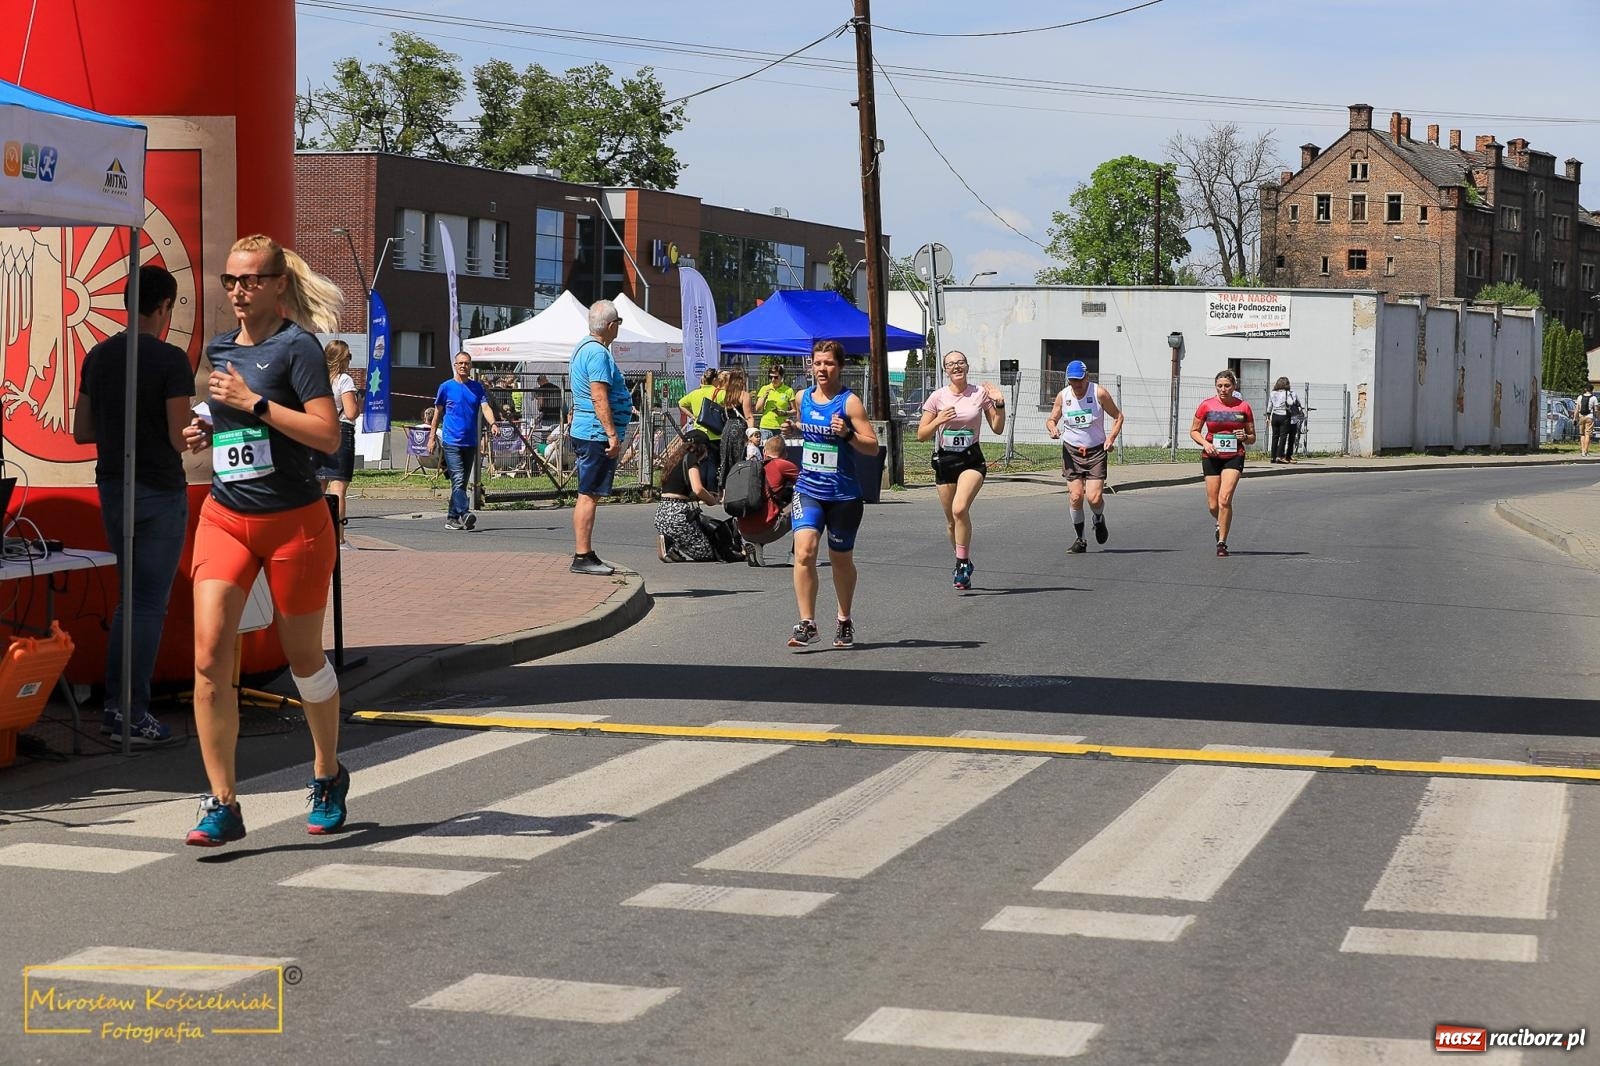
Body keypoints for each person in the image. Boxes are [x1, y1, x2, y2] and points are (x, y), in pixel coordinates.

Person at [178, 234, 347, 846]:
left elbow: (327, 435)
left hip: (293, 523)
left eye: (251, 280)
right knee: (206, 657)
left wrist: (253, 405)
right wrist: (205, 430)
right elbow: (221, 418)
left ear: (278, 285)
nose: (238, 291)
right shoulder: (222, 347)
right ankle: (221, 801)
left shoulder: (297, 347)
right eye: (230, 280)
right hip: (225, 517)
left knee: (302, 655)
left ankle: (328, 772)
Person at [71, 264, 193, 746]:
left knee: (129, 603)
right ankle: (130, 711)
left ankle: (116, 708)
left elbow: (82, 431)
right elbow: (178, 437)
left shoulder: (98, 356)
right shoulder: (170, 360)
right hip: (159, 489)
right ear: (164, 307)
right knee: (146, 606)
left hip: (113, 485)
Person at [784, 339, 878, 648]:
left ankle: (844, 618)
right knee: (805, 550)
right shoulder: (802, 397)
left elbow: (872, 446)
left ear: (840, 366)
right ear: (810, 365)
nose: (822, 369)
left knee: (840, 560)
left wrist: (848, 434)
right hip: (809, 488)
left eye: (829, 363)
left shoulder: (849, 403)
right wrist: (794, 430)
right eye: (818, 363)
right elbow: (808, 429)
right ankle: (807, 623)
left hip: (844, 495)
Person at [916, 349, 1005, 589]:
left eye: (961, 362)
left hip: (971, 460)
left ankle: (962, 563)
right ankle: (962, 560)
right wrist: (938, 420)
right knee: (951, 522)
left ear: (967, 366)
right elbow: (921, 434)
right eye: (951, 364)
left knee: (959, 508)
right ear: (945, 370)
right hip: (946, 461)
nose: (956, 367)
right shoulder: (937, 397)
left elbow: (997, 428)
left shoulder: (979, 394)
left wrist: (999, 402)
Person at [569, 299, 631, 575]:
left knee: (588, 493)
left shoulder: (583, 348)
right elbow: (598, 395)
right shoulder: (598, 354)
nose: (618, 328)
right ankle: (582, 556)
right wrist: (611, 434)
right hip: (595, 432)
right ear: (610, 325)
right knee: (589, 494)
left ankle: (586, 553)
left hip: (587, 429)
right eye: (618, 323)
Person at [1044, 359, 1123, 555]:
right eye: (1073, 381)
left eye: (1080, 380)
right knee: (1076, 496)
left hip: (1096, 451)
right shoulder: (1064, 396)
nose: (1077, 385)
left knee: (1094, 498)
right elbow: (1052, 418)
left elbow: (1118, 416)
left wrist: (1111, 439)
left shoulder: (1099, 393)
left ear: (1087, 377)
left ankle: (1098, 518)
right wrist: (1053, 428)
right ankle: (1080, 539)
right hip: (1072, 452)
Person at [426, 351, 498, 531]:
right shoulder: (446, 387)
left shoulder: (477, 388)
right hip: (452, 441)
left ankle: (451, 518)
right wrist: (432, 437)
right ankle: (465, 514)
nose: (464, 366)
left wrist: (493, 423)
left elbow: (485, 407)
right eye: (460, 363)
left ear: (470, 366)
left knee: (462, 482)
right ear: (455, 365)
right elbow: (437, 414)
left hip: (470, 442)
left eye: (467, 363)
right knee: (457, 479)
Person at [1190, 368, 1256, 558]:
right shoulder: (1206, 405)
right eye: (1219, 386)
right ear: (1215, 387)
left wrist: (1245, 436)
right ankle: (1220, 521)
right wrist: (1205, 443)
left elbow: (1252, 437)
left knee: (1224, 499)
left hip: (1235, 455)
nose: (1223, 389)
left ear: (1234, 387)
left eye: (1227, 386)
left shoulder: (1243, 407)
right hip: (1211, 455)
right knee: (1213, 505)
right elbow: (1194, 430)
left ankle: (1222, 543)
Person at [316, 339, 361, 546]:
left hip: (316, 432)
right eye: (349, 356)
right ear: (342, 359)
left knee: (317, 488)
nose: (350, 361)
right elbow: (351, 413)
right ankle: (339, 538)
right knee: (338, 489)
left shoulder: (315, 379)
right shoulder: (344, 380)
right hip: (340, 432)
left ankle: (314, 535)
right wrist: (357, 403)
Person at [652, 430, 721, 562]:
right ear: (700, 447)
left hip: (662, 514)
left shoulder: (674, 460)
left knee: (690, 540)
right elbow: (698, 489)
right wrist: (712, 500)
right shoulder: (691, 458)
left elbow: (677, 490)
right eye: (706, 449)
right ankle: (669, 544)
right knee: (706, 554)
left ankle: (672, 547)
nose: (707, 454)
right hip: (677, 515)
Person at [736, 434, 799, 567]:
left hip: (744, 529)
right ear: (785, 453)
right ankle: (796, 555)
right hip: (767, 529)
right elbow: (806, 483)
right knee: (805, 505)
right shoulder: (783, 464)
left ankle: (755, 544)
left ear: (764, 451)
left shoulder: (751, 466)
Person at [752, 363, 798, 442]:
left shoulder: (788, 390)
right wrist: (764, 397)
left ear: (781, 377)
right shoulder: (764, 388)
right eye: (771, 377)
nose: (773, 379)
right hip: (766, 427)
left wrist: (785, 413)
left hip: (781, 428)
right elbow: (758, 409)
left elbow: (795, 410)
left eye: (776, 377)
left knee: (780, 452)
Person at [1268, 376, 1300, 464]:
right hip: (1283, 415)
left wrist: (1268, 415)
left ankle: (1273, 456)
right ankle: (1279, 456)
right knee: (1283, 436)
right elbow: (1290, 402)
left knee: (1275, 436)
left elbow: (1269, 405)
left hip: (1274, 415)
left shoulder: (1272, 393)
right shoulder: (1286, 393)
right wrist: (1293, 400)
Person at [1578, 382, 1597, 458]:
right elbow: (1596, 410)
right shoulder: (1594, 398)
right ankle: (1585, 451)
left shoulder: (1580, 397)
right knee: (1588, 434)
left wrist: (1575, 418)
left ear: (1585, 389)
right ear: (1592, 390)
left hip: (1581, 417)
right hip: (1589, 417)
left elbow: (1577, 408)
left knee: (1582, 434)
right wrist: (1597, 417)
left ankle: (1583, 451)